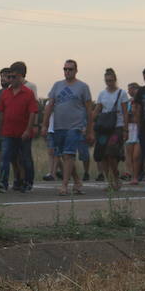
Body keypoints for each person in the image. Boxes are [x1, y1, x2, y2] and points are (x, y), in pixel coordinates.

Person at [42, 60, 93, 195]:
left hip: (75, 126)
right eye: (65, 69)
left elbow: (89, 109)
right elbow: (50, 105)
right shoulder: (57, 85)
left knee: (69, 154)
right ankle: (77, 180)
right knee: (65, 156)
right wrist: (44, 124)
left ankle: (64, 185)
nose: (67, 72)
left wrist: (89, 129)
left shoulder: (83, 87)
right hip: (59, 126)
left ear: (76, 70)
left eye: (70, 69)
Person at [0, 62, 38, 192]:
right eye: (9, 77)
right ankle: (3, 183)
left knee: (25, 158)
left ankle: (28, 182)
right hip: (8, 131)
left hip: (23, 132)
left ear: (21, 77)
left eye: (14, 77)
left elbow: (33, 112)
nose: (11, 80)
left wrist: (28, 129)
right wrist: (0, 128)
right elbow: (1, 112)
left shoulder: (29, 93)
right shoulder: (5, 93)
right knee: (5, 158)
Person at [92, 68, 129, 190]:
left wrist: (125, 129)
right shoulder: (102, 94)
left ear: (115, 80)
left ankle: (116, 178)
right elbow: (97, 110)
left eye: (111, 80)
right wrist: (88, 123)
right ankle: (109, 182)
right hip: (103, 128)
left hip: (116, 127)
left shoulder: (122, 93)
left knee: (111, 153)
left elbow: (125, 112)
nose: (109, 82)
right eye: (107, 80)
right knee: (103, 154)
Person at [124, 82, 141, 184]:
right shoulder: (129, 102)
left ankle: (136, 176)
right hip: (130, 129)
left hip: (139, 129)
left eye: (130, 89)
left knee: (136, 156)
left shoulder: (141, 102)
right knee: (129, 155)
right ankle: (132, 175)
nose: (129, 92)